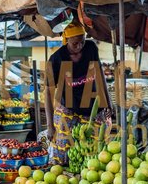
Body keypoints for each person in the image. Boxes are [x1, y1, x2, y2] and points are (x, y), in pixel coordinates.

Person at [45, 21, 109, 164]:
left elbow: (100, 75)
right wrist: (50, 126)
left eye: (82, 42)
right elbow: (48, 94)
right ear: (66, 40)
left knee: (90, 153)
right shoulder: (56, 59)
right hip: (67, 108)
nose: (79, 46)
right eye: (75, 44)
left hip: (91, 109)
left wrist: (108, 104)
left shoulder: (91, 48)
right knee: (62, 155)